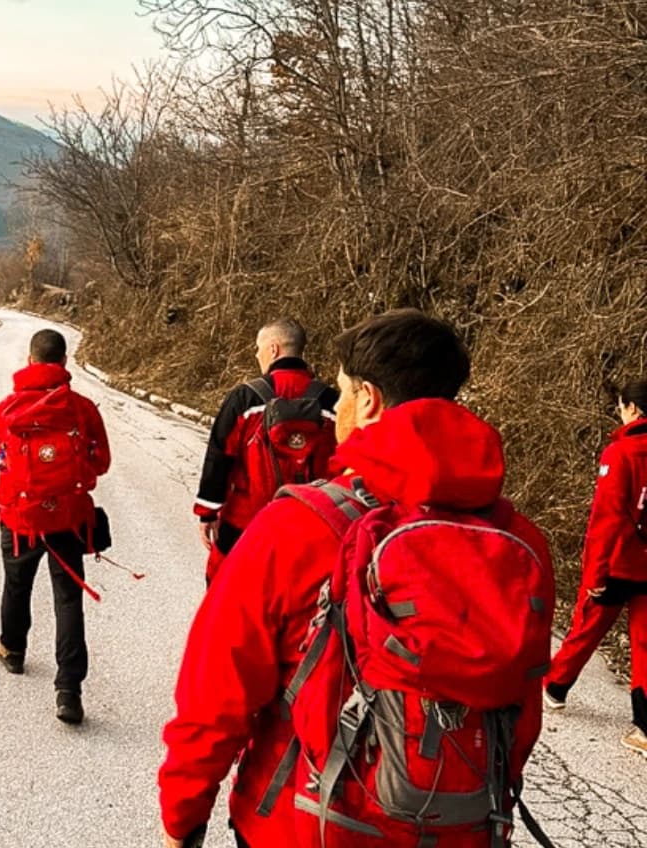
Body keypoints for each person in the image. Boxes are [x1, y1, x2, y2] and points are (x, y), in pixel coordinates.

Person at [159, 309, 555, 847]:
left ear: (368, 399)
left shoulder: (296, 525)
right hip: (462, 828)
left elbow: (215, 694)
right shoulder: (520, 544)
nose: (339, 406)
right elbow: (519, 713)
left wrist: (182, 818)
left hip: (304, 825)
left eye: (344, 391)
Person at [0, 328, 110, 725]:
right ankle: (69, 691)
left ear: (30, 361)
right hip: (67, 517)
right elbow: (102, 462)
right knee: (68, 599)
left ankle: (13, 649)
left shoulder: (9, 408)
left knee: (17, 585)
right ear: (64, 362)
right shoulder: (82, 409)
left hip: (21, 517)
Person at [544, 378, 647, 757]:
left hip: (618, 562)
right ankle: (644, 728)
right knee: (645, 645)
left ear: (632, 409)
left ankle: (556, 688)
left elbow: (606, 520)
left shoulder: (621, 453)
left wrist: (594, 575)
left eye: (621, 407)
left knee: (587, 627)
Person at [193, 318, 337, 582]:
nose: (256, 354)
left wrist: (208, 511)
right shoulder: (331, 401)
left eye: (258, 348)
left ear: (273, 349)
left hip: (246, 524)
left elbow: (220, 455)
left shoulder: (245, 398)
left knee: (228, 591)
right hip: (312, 526)